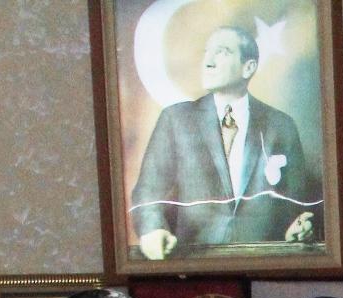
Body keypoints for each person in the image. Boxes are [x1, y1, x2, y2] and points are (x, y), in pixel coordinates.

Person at [128, 21, 321, 257]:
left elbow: (298, 205)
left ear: (248, 68)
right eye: (207, 52)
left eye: (222, 52)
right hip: (193, 262)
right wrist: (153, 230)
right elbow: (147, 192)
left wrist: (299, 226)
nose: (208, 62)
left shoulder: (281, 125)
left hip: (263, 260)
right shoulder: (175, 120)